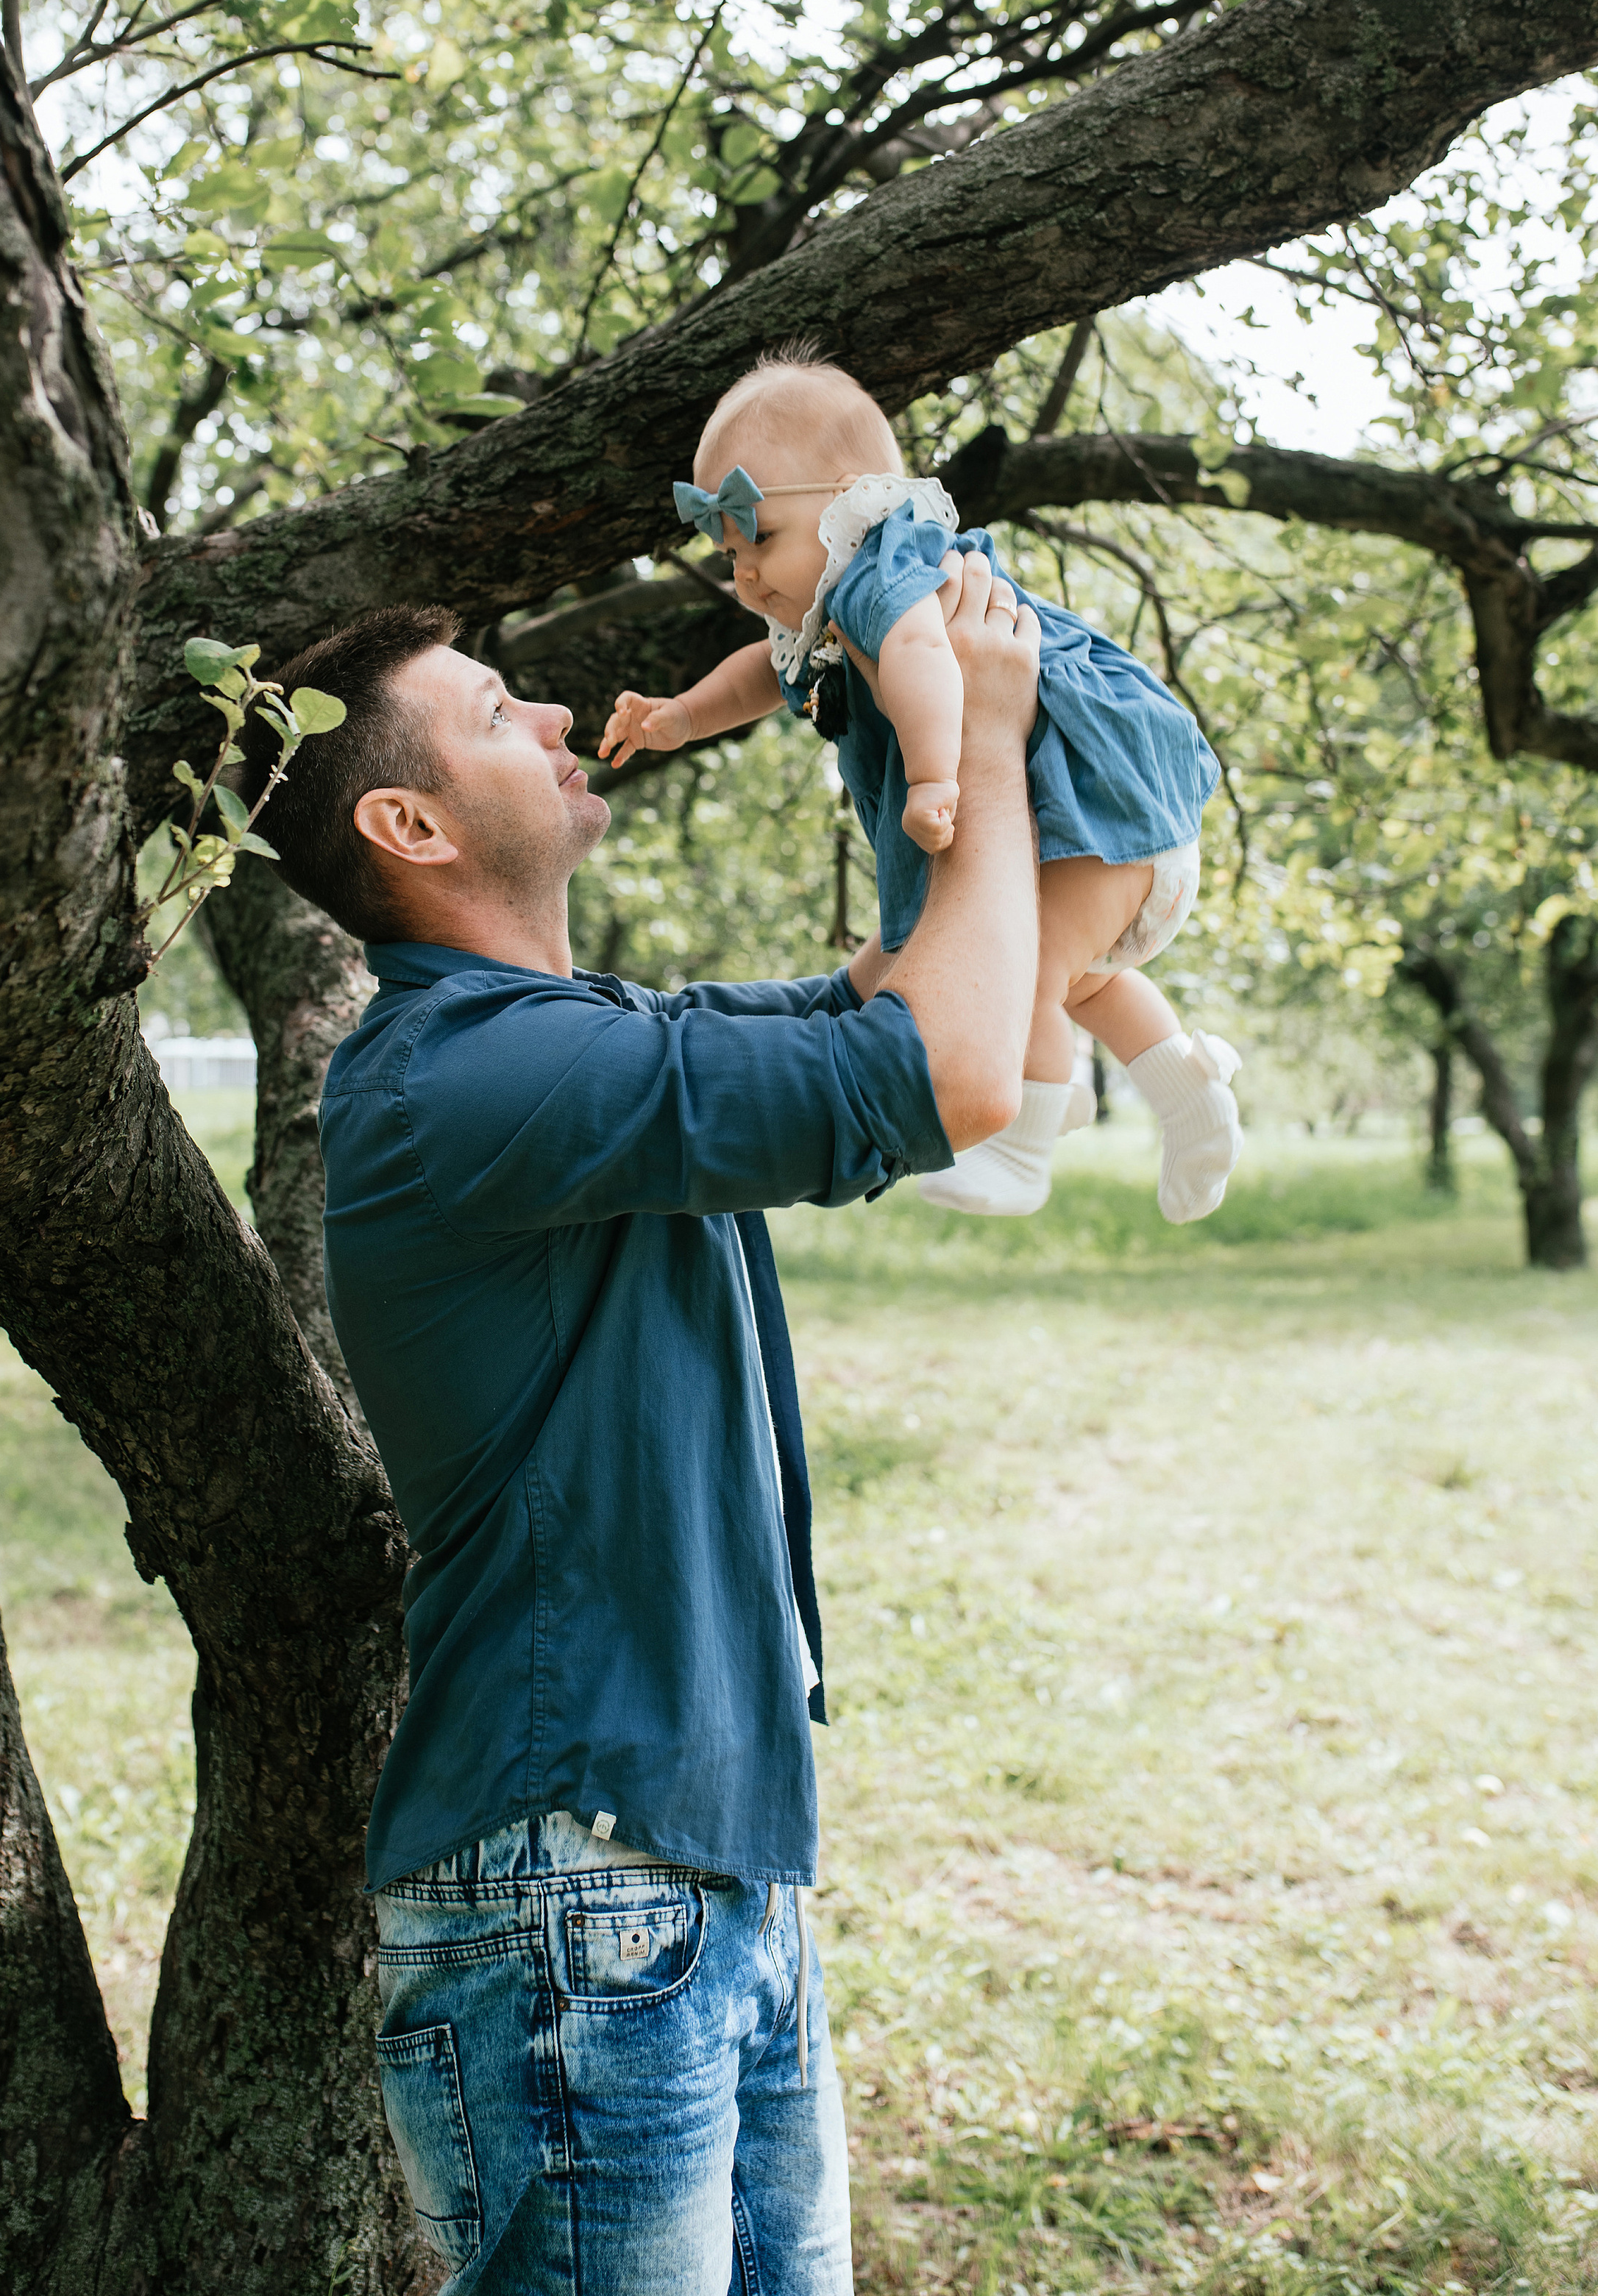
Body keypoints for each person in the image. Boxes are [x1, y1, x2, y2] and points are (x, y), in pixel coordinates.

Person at [236, 565, 1041, 2296]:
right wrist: (993, 740)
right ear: (407, 820)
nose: (545, 711)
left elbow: (908, 990)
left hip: (689, 1866)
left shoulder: (581, 1042)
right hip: (572, 1885)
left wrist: (917, 727)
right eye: (488, 711)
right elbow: (955, 1078)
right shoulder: (462, 1079)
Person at [599, 347, 1243, 1226]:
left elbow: (921, 656)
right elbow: (763, 670)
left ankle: (1021, 1139)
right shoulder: (828, 606)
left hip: (1096, 807)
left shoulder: (883, 572)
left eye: (763, 541)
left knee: (1025, 973)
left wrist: (938, 775)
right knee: (1076, 981)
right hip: (1087, 831)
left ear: (850, 502)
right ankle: (1191, 1094)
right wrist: (682, 715)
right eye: (729, 553)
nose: (745, 574)